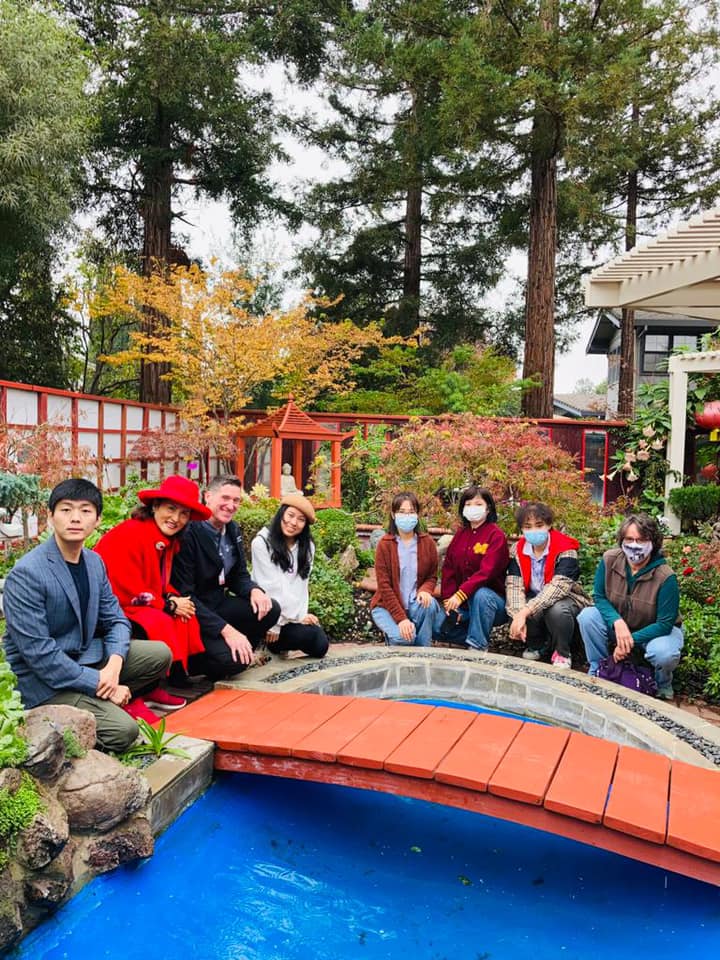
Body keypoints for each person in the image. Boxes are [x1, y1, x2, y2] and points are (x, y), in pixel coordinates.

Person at [3, 479, 171, 752]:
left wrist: (114, 665)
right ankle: (88, 704)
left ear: (97, 519)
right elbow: (40, 655)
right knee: (123, 732)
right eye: (66, 510)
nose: (75, 518)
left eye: (85, 511)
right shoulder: (28, 574)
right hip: (40, 680)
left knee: (159, 654)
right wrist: (98, 682)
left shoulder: (93, 562)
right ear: (50, 517)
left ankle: (95, 698)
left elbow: (116, 619)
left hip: (82, 657)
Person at [94, 475, 211, 708]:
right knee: (158, 620)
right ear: (155, 506)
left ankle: (156, 686)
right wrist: (167, 604)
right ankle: (135, 693)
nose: (176, 519)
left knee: (183, 615)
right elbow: (126, 586)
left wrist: (173, 599)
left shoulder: (162, 538)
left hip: (133, 599)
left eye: (184, 513)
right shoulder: (131, 534)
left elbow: (156, 581)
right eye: (171, 509)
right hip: (109, 607)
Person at [172, 475, 281, 680]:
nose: (231, 505)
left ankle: (236, 647)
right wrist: (226, 630)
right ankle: (188, 665)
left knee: (269, 608)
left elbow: (238, 575)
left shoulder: (231, 528)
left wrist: (254, 590)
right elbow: (186, 595)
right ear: (208, 497)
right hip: (193, 613)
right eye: (225, 498)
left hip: (218, 603)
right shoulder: (189, 533)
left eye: (236, 500)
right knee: (236, 662)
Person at [577, 513, 683, 700]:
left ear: (653, 542)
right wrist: (617, 622)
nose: (635, 545)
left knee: (664, 653)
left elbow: (665, 623)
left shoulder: (666, 577)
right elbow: (599, 597)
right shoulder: (610, 560)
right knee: (587, 616)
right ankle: (599, 667)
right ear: (622, 540)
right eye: (629, 539)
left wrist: (628, 640)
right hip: (620, 625)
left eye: (642, 540)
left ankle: (662, 683)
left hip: (656, 631)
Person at [506, 502, 591, 668]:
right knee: (517, 608)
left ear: (549, 525)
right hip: (535, 597)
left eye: (539, 525)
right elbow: (514, 586)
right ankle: (537, 646)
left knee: (556, 610)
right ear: (521, 529)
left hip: (567, 599)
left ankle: (562, 652)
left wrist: (525, 611)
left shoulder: (566, 548)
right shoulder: (517, 549)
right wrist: (518, 616)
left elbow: (559, 587)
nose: (534, 531)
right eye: (527, 526)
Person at [250, 494, 329, 658]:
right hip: (266, 615)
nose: (293, 523)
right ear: (282, 513)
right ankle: (263, 642)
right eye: (290, 515)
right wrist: (276, 624)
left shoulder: (307, 547)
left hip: (289, 618)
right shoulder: (262, 543)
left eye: (301, 519)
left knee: (320, 644)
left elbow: (301, 584)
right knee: (307, 637)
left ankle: (276, 646)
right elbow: (270, 586)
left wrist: (301, 616)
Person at [439, 485, 510, 650]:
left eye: (478, 504)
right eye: (468, 504)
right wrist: (449, 601)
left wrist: (460, 594)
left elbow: (486, 572)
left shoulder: (495, 535)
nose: (472, 508)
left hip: (491, 603)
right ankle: (472, 635)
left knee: (481, 594)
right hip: (463, 605)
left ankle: (477, 646)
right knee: (438, 628)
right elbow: (448, 569)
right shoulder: (460, 535)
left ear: (488, 508)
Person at [370, 492, 444, 646]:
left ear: (417, 515)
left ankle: (423, 653)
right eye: (402, 512)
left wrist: (425, 590)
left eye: (411, 512)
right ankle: (396, 641)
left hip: (415, 605)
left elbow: (432, 576)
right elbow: (384, 587)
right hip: (386, 607)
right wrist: (401, 619)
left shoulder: (427, 542)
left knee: (429, 605)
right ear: (393, 514)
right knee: (405, 638)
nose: (407, 516)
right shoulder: (385, 545)